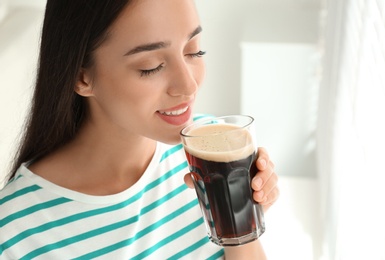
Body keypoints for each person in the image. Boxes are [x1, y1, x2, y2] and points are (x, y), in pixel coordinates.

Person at [0, 0, 279, 259]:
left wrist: (242, 226)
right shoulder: (15, 233)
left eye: (194, 51)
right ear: (81, 76)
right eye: (151, 67)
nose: (188, 85)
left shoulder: (211, 152)